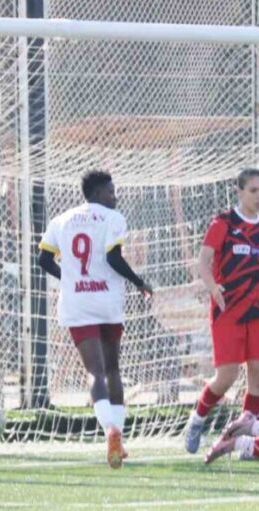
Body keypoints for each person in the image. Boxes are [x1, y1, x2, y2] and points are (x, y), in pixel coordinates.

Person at [183, 168, 259, 453]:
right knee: (226, 378)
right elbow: (204, 261)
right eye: (253, 190)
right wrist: (213, 287)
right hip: (228, 311)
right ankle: (197, 417)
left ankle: (248, 440)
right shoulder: (223, 223)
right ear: (239, 192)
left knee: (258, 372)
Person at [38, 170, 153, 469]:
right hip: (107, 301)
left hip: (77, 302)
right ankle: (120, 435)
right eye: (112, 191)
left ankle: (108, 430)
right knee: (113, 368)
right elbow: (113, 258)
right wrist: (139, 282)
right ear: (100, 193)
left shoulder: (61, 220)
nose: (115, 196)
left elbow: (43, 259)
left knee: (94, 373)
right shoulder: (113, 219)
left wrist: (69, 278)